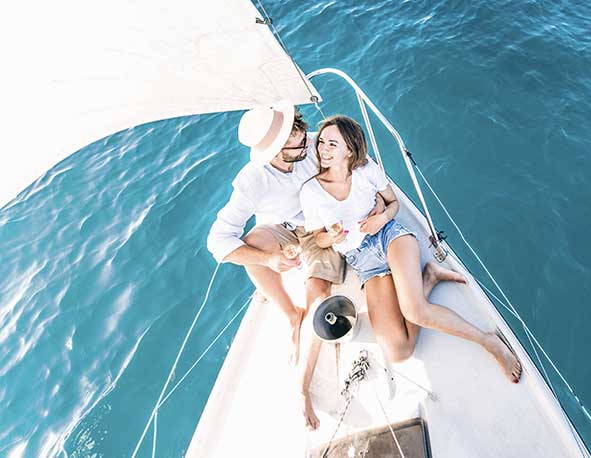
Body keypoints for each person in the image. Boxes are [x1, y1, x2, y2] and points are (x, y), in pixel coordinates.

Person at [297, 115, 522, 429]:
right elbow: (318, 237)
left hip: (390, 236)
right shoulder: (311, 192)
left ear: (349, 150)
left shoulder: (366, 171)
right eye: (321, 142)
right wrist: (330, 238)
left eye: (332, 143)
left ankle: (489, 342)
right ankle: (428, 277)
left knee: (415, 311)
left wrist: (380, 219)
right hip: (364, 261)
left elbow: (393, 204)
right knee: (399, 351)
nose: (322, 148)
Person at [207, 102, 382, 364]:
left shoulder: (312, 143)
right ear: (273, 152)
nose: (309, 146)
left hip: (323, 224)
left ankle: (312, 315)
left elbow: (360, 164)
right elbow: (217, 241)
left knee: (319, 293)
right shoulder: (251, 182)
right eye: (298, 145)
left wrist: (379, 204)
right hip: (287, 227)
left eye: (304, 139)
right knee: (252, 245)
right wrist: (268, 259)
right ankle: (291, 314)